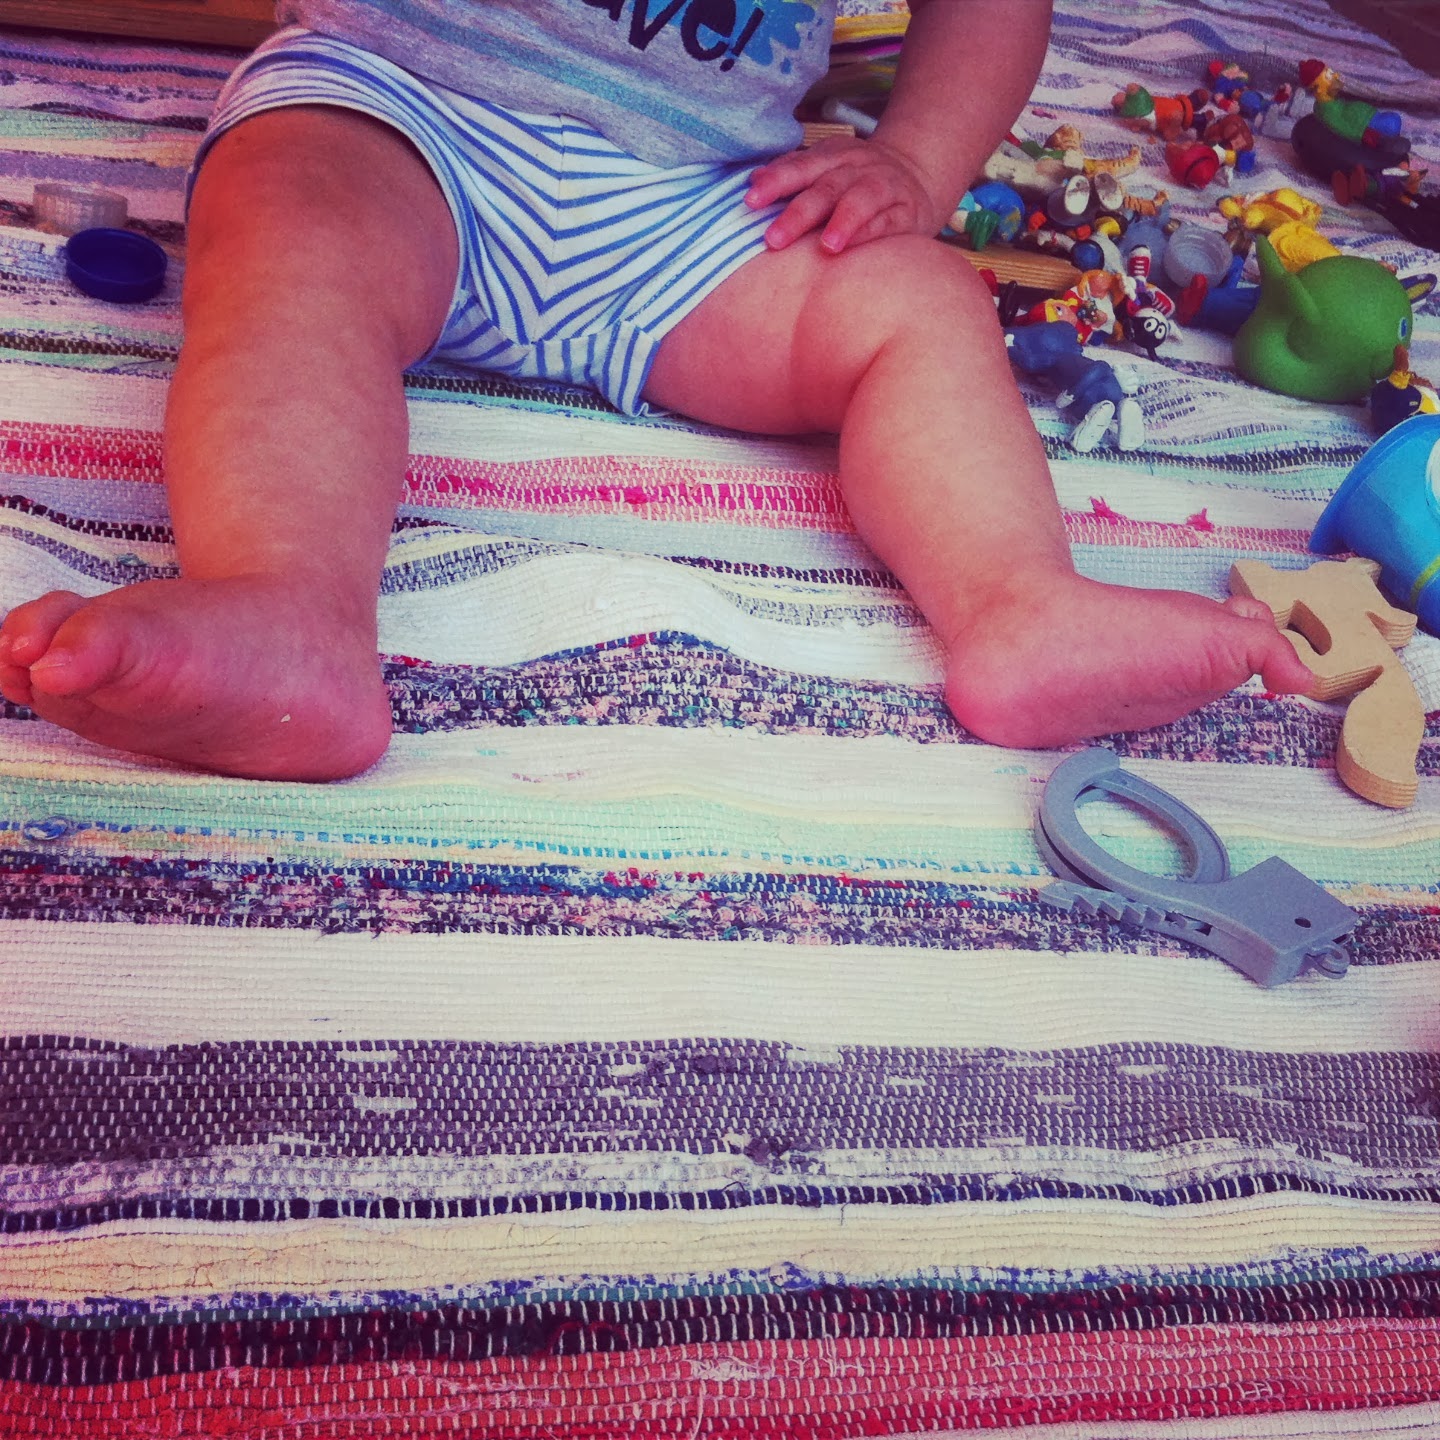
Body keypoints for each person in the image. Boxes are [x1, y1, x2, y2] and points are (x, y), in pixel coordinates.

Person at [0, 0, 1312, 780]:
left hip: (694, 201)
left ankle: (1019, 604)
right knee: (294, 240)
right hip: (401, 111)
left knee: (913, 295)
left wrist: (915, 163)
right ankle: (287, 600)